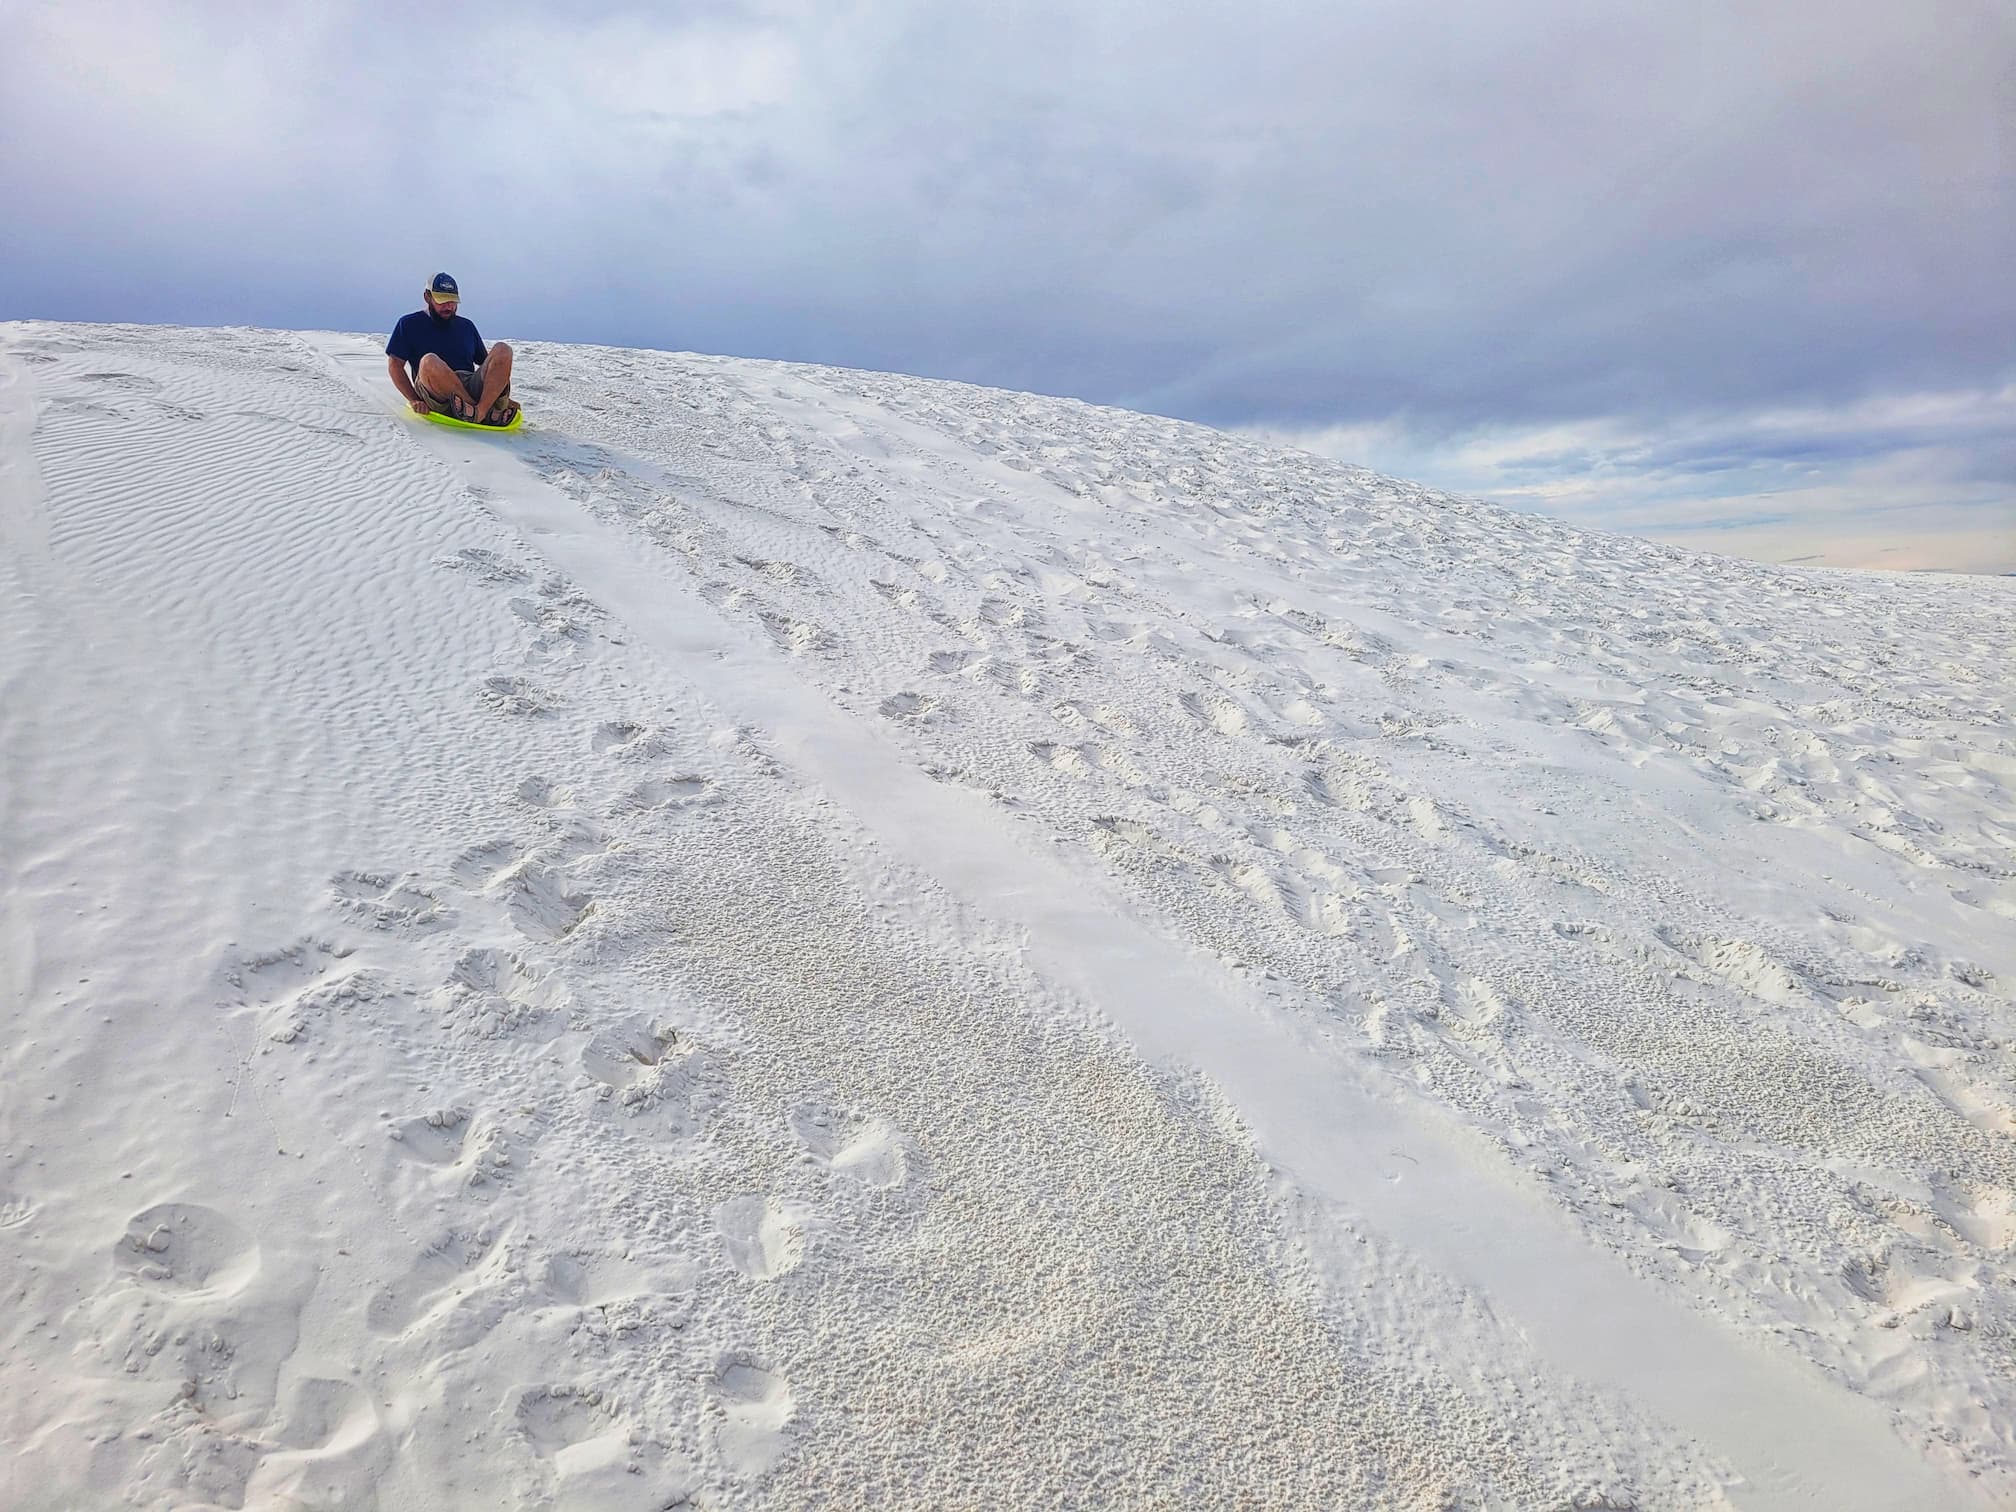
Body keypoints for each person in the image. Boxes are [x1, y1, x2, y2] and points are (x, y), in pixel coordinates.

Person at [385, 273, 519, 426]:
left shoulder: (466, 326)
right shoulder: (408, 324)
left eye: (453, 301)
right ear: (427, 297)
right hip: (435, 390)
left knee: (503, 349)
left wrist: (499, 395)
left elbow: (489, 366)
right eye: (442, 301)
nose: (449, 306)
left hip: (468, 384)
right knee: (429, 361)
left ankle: (479, 411)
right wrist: (414, 399)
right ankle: (482, 412)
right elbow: (394, 365)